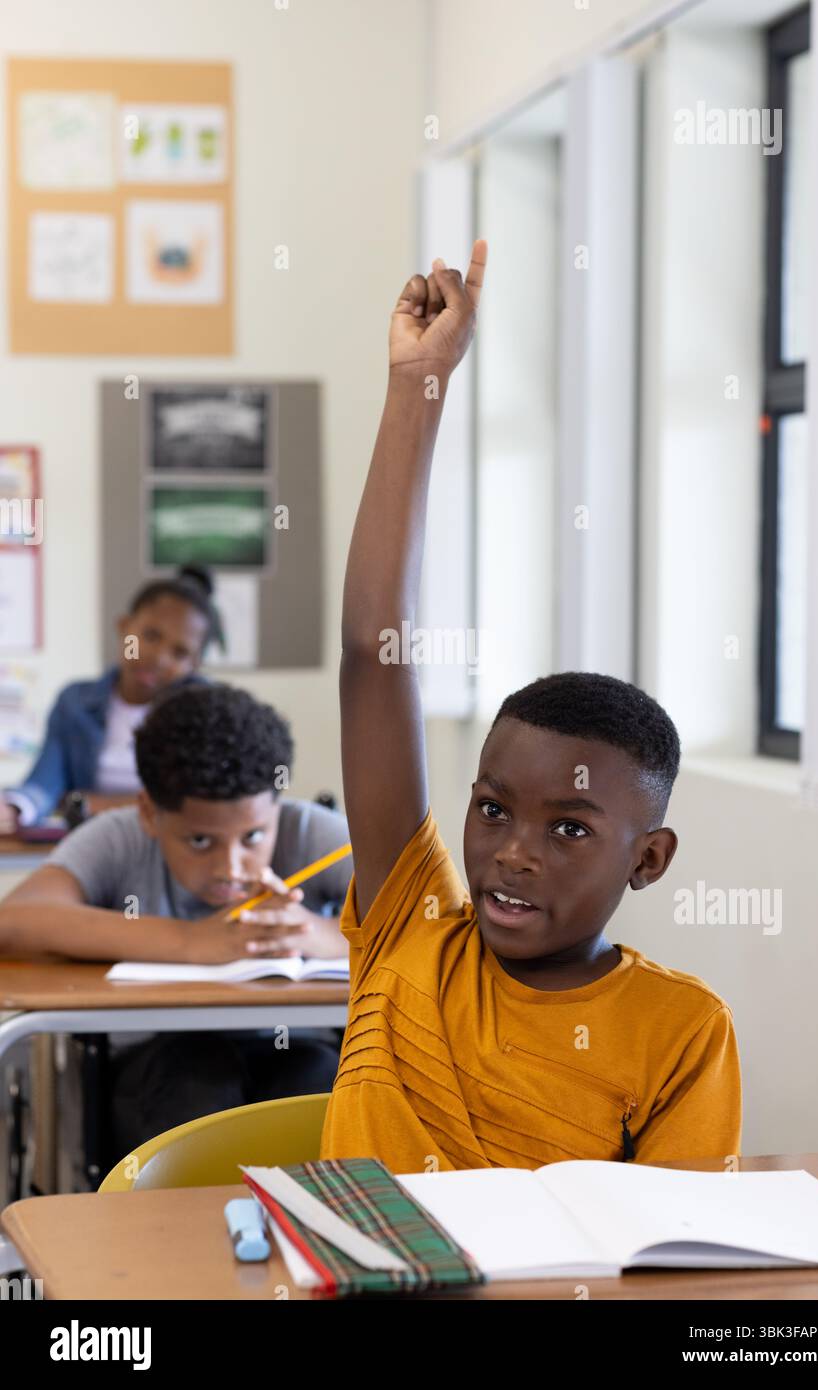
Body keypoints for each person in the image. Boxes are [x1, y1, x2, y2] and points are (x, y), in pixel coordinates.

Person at [318, 241, 742, 1173]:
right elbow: (369, 652)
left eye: (572, 830)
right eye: (493, 809)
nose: (512, 851)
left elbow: (672, 1253)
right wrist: (419, 384)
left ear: (649, 859)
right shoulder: (409, 930)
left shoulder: (681, 1030)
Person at [0, 683, 351, 1156]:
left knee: (318, 1091)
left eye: (252, 836)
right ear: (149, 812)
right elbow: (15, 921)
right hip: (155, 1061)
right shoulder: (118, 837)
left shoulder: (308, 829)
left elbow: (426, 922)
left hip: (292, 1047)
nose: (231, 867)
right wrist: (189, 941)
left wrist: (315, 932)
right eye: (201, 842)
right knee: (197, 1083)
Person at [0, 565, 222, 832]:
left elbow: (199, 801)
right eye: (150, 636)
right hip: (94, 845)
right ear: (124, 628)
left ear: (195, 665)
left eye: (180, 653)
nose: (159, 658)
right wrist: (15, 808)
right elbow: (44, 785)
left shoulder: (206, 711)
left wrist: (87, 803)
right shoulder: (75, 702)